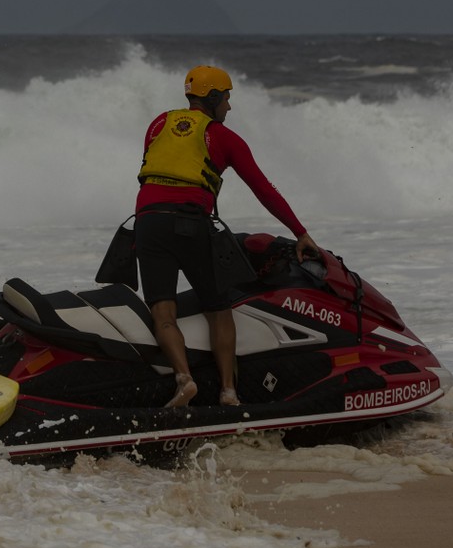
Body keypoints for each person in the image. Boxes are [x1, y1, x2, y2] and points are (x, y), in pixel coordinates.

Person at [134, 65, 321, 408]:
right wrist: (300, 232)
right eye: (228, 98)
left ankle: (183, 379)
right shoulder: (224, 137)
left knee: (163, 311)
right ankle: (228, 392)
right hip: (190, 223)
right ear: (215, 97)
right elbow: (264, 190)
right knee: (219, 310)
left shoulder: (158, 124)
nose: (230, 107)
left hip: (147, 222)